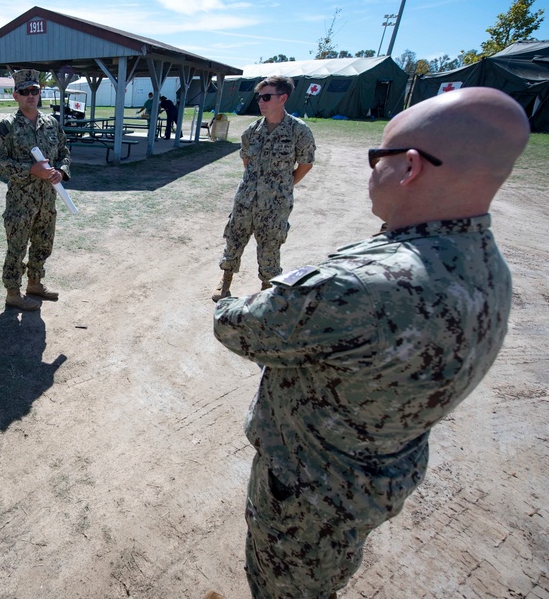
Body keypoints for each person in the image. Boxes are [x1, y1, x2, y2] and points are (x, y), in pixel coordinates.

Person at [210, 87, 529, 598]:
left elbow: (237, 326)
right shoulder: (488, 267)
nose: (369, 171)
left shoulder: (358, 286)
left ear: (409, 167)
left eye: (374, 158)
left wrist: (233, 302)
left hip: (307, 491)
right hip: (375, 480)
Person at [212, 76, 314, 300]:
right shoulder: (251, 131)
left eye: (267, 97)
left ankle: (268, 291)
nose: (261, 102)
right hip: (245, 200)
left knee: (270, 247)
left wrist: (283, 186)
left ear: (283, 98)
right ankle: (225, 280)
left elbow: (305, 164)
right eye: (260, 97)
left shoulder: (298, 131)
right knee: (234, 239)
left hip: (275, 205)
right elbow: (246, 161)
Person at [0, 69, 71, 312]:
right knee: (17, 246)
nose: (30, 96)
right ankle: (13, 293)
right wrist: (29, 169)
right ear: (16, 95)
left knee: (43, 242)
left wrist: (62, 171)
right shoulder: (6, 128)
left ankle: (35, 284)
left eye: (34, 91)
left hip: (47, 199)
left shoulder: (51, 124)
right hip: (20, 202)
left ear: (40, 93)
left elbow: (65, 152)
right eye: (25, 92)